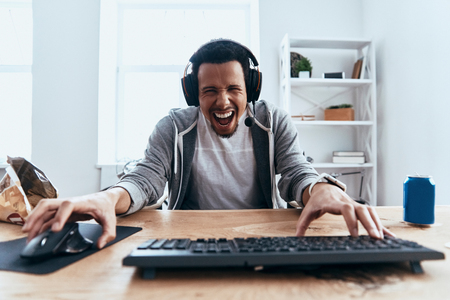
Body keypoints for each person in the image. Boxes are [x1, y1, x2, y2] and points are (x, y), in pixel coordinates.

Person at [22, 39, 393, 248]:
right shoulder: (174, 126)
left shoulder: (272, 121)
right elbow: (146, 179)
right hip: (187, 237)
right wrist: (105, 197)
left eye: (234, 89)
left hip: (261, 238)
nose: (223, 102)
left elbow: (296, 171)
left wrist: (318, 189)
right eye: (209, 91)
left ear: (251, 90)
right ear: (192, 94)